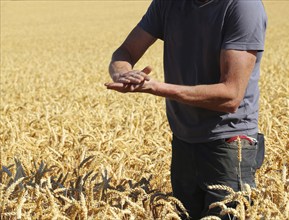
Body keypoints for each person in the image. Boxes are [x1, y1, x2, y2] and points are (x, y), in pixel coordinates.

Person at [105, 0, 267, 219]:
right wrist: (122, 73)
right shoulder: (167, 3)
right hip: (183, 141)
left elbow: (230, 96)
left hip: (228, 144)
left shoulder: (242, 6)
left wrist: (158, 88)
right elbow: (125, 51)